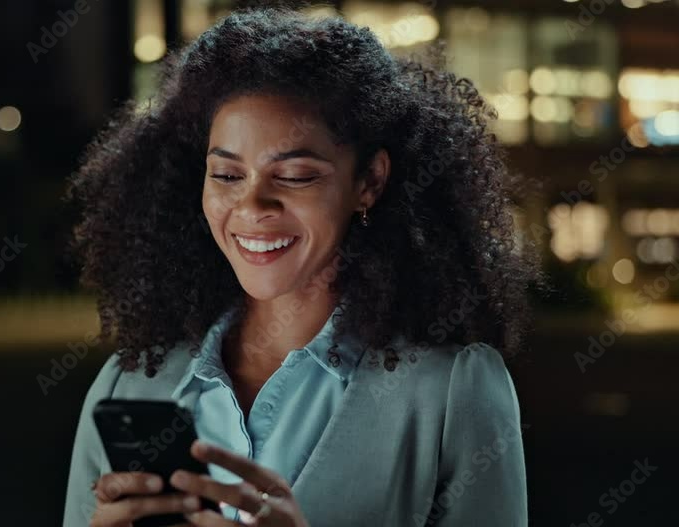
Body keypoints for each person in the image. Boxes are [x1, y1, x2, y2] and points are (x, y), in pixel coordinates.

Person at [62, 7, 538, 526]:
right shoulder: (127, 389)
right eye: (226, 174)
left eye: (293, 176)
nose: (251, 206)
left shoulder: (453, 392)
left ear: (369, 182)